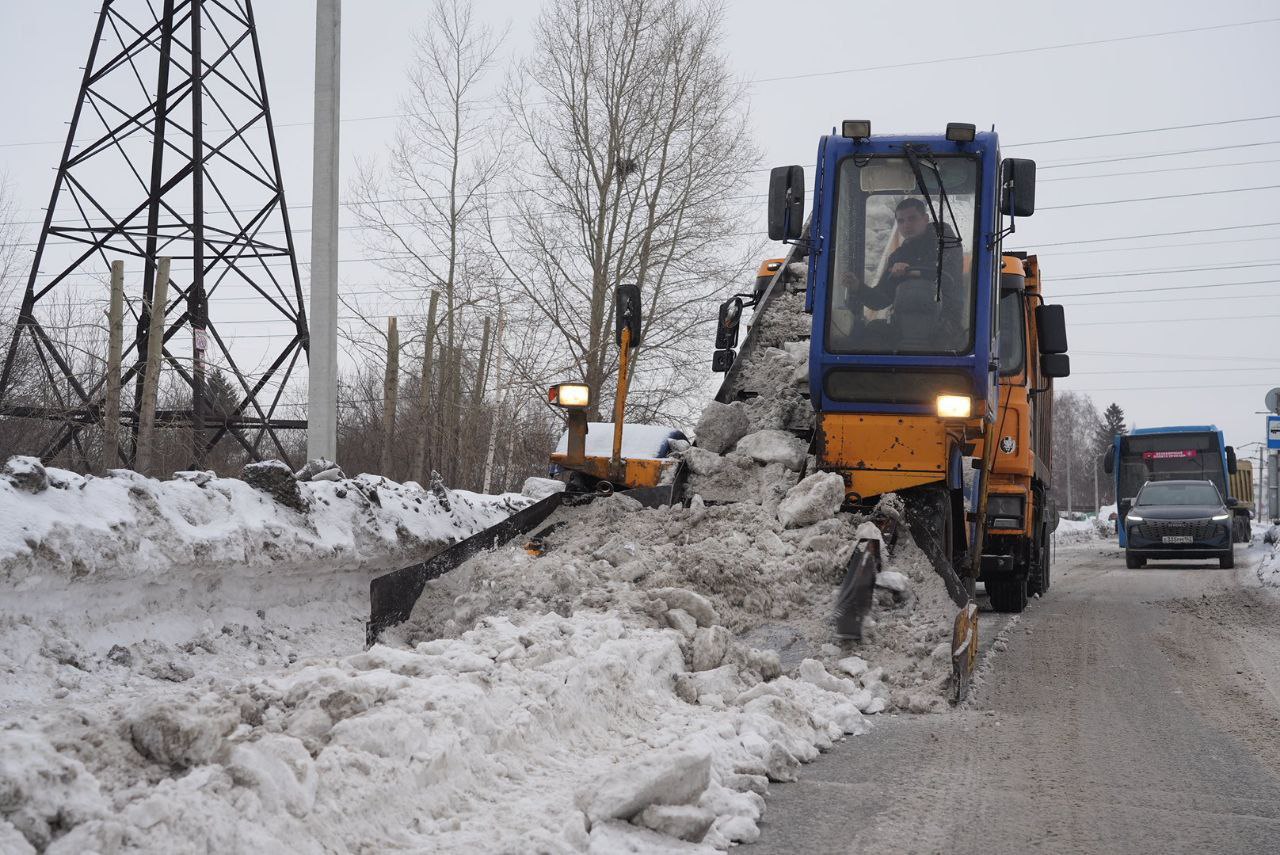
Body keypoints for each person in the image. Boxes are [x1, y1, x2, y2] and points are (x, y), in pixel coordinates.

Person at [848, 197, 966, 350]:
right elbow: (880, 300)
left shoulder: (946, 242)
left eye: (912, 219)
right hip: (902, 327)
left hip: (943, 323)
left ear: (925, 219)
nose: (906, 225)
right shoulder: (897, 256)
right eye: (901, 221)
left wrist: (911, 271)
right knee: (868, 334)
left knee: (949, 350)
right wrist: (858, 287)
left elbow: (947, 275)